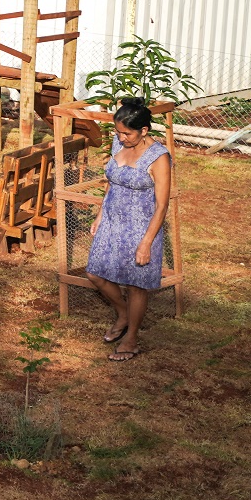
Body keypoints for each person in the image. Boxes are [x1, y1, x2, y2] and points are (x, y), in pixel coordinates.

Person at [86, 98, 173, 362]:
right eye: (118, 131)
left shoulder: (158, 157)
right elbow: (111, 182)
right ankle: (123, 313)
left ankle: (132, 337)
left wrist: (147, 242)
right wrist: (101, 215)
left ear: (144, 130)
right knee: (95, 273)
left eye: (127, 133)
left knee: (136, 285)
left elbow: (161, 205)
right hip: (112, 221)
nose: (121, 137)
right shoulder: (118, 143)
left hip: (141, 226)